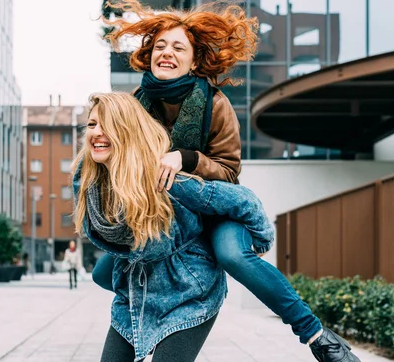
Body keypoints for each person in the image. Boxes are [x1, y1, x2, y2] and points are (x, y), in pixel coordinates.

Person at [94, 0, 360, 362]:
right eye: (160, 46)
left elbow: (229, 172)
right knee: (100, 271)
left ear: (193, 59)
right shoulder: (135, 106)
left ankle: (317, 336)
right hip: (165, 213)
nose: (166, 53)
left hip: (213, 207)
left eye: (178, 47)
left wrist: (186, 158)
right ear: (150, 54)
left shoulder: (215, 104)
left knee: (231, 254)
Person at [72, 92, 274, 362]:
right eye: (92, 124)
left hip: (189, 294)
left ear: (127, 131)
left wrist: (258, 244)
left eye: (107, 125)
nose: (96, 132)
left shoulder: (163, 180)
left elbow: (244, 201)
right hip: (138, 290)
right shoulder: (89, 183)